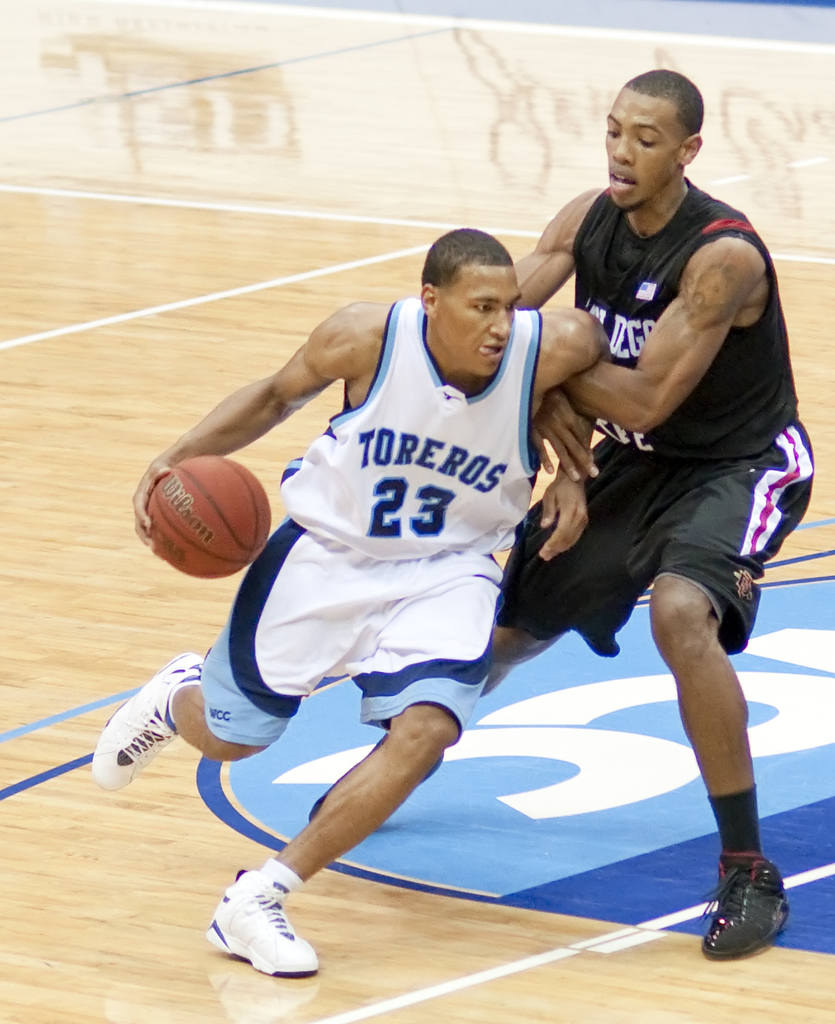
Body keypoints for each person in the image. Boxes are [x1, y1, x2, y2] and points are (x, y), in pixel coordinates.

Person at [91, 228, 606, 978]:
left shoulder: (549, 346)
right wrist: (173, 456)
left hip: (448, 569)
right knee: (237, 739)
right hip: (326, 556)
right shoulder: (366, 337)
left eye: (510, 306)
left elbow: (589, 354)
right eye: (481, 307)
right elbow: (272, 396)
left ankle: (259, 896)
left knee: (428, 729)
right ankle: (177, 701)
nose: (501, 324)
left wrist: (572, 472)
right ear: (429, 301)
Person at [489, 69, 814, 961]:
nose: (620, 152)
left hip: (740, 464)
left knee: (680, 612)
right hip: (640, 468)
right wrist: (539, 373)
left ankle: (748, 868)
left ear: (687, 151)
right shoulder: (584, 220)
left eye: (643, 138)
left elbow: (641, 402)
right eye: (612, 131)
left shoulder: (721, 257)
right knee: (503, 633)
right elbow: (491, 321)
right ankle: (394, 755)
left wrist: (553, 364)